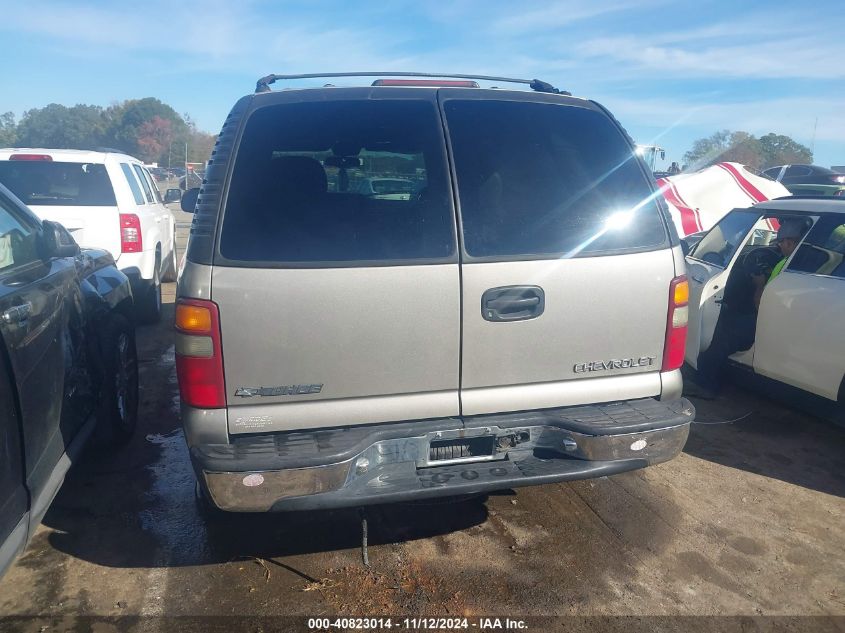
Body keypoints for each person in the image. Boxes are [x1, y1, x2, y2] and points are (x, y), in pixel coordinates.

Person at [686, 219, 805, 399]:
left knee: (721, 334)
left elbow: (761, 306)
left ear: (788, 242)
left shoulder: (783, 265)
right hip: (793, 321)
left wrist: (759, 284)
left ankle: (705, 385)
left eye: (780, 243)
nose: (779, 247)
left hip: (769, 320)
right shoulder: (808, 260)